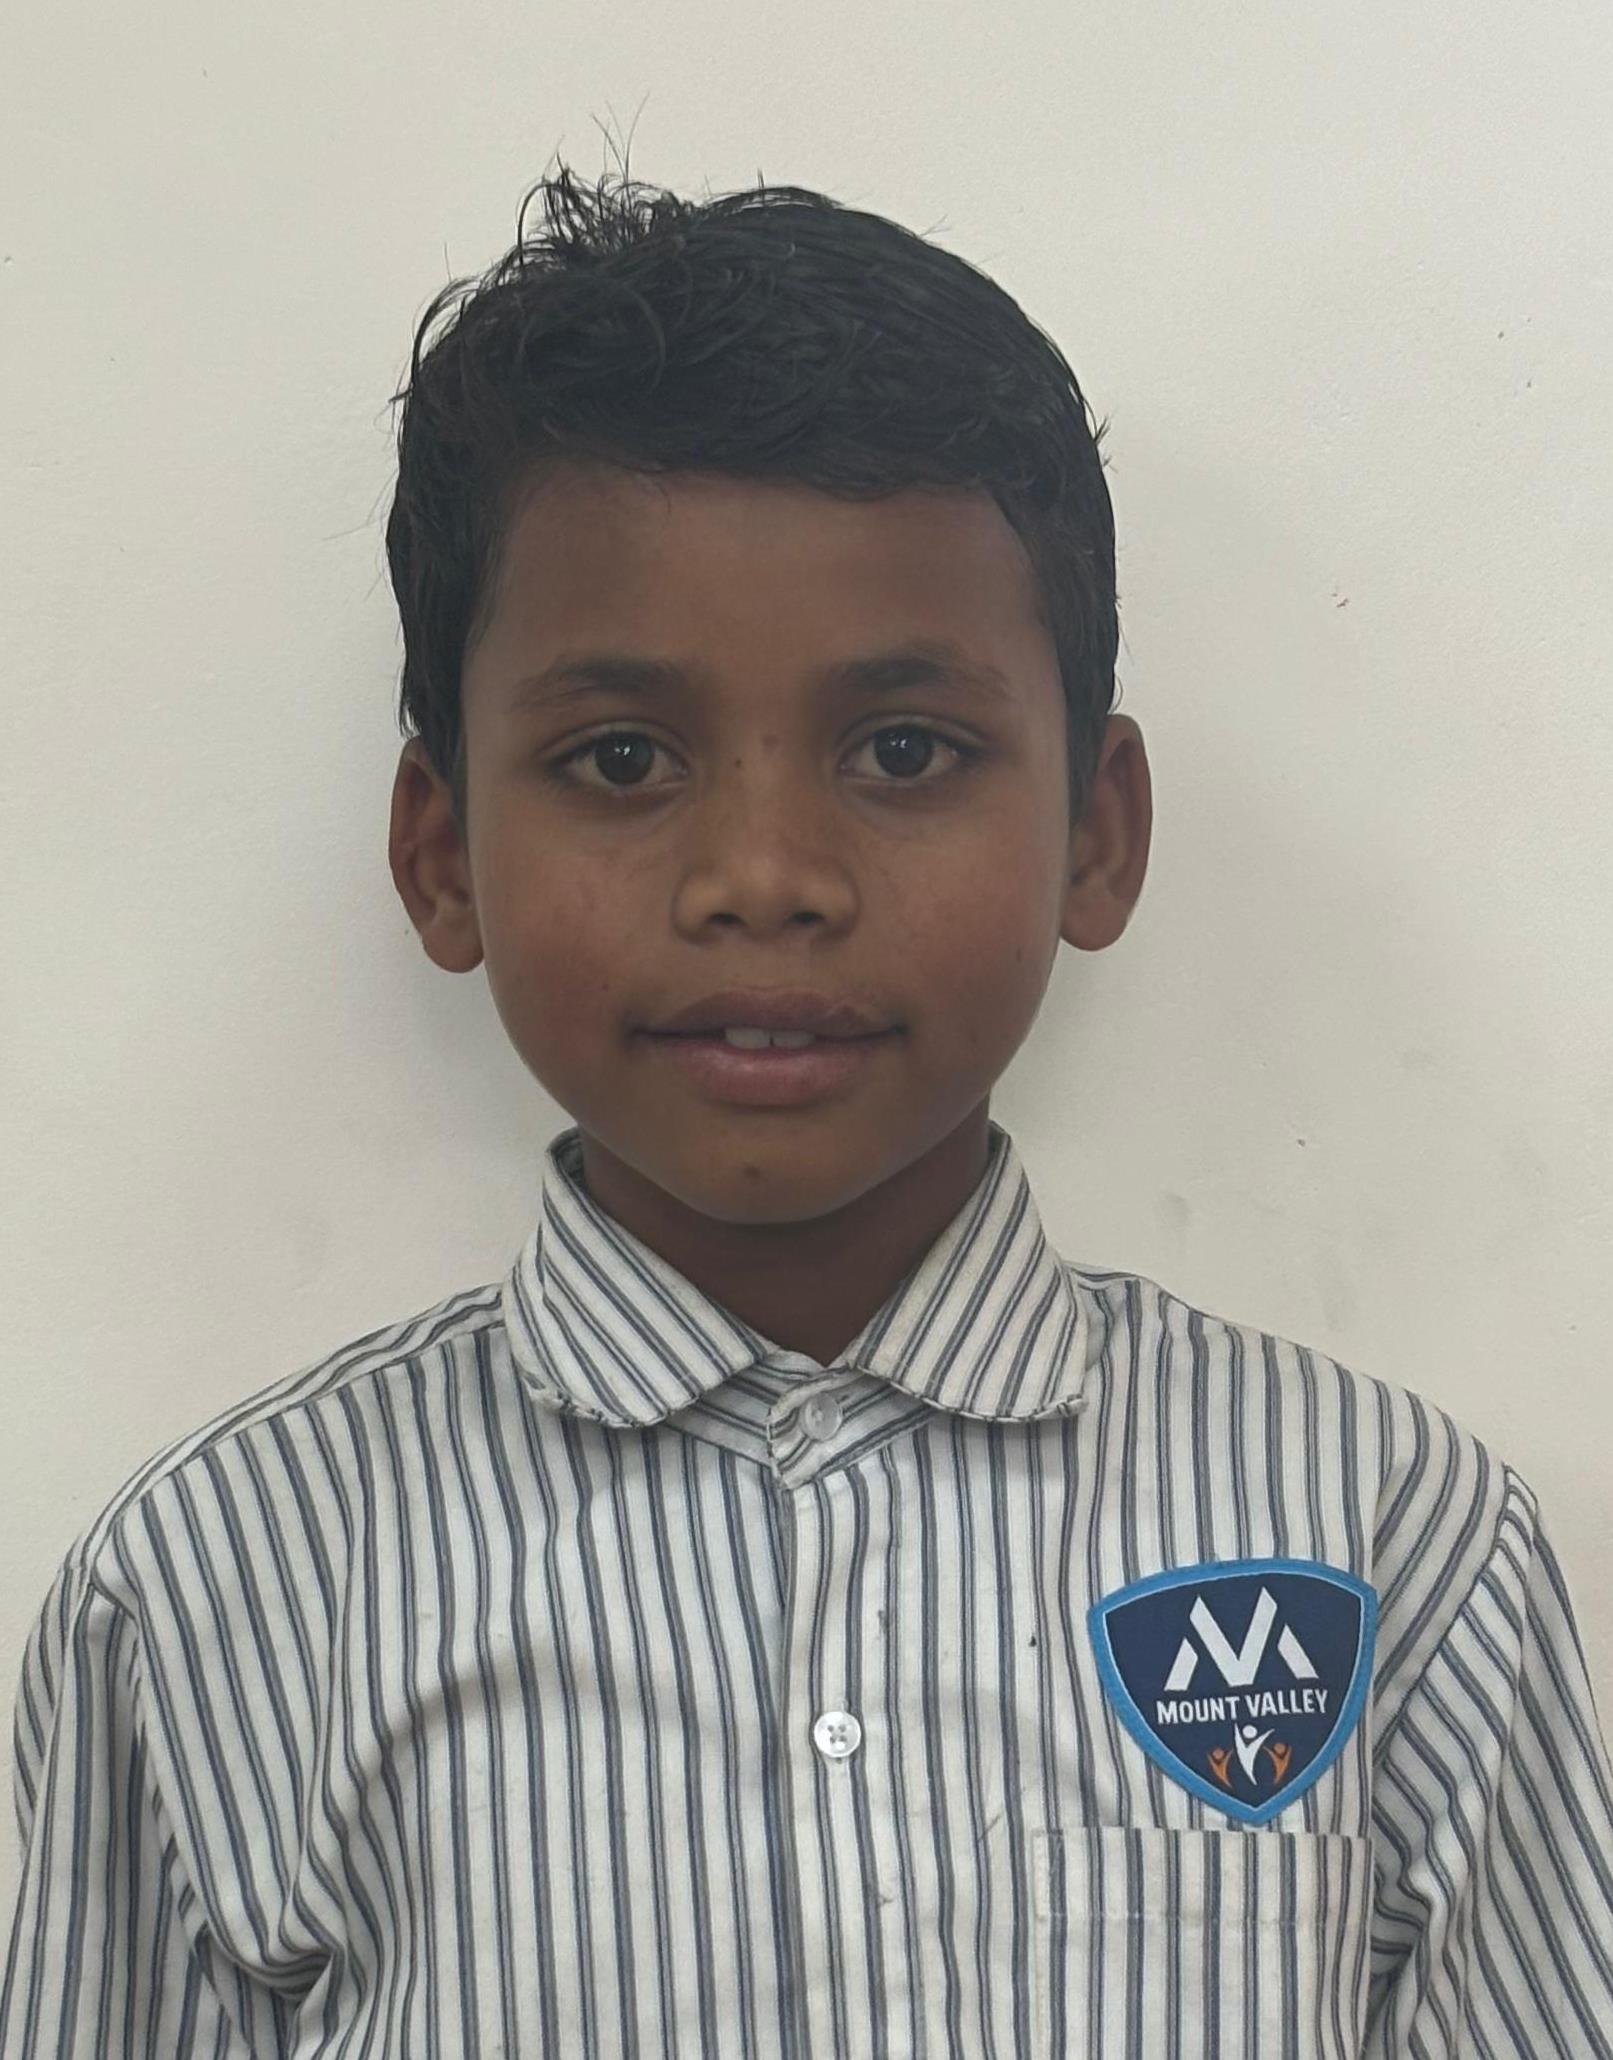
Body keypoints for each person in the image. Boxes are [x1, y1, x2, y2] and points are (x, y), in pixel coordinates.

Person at [3, 157, 1610, 2060]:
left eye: (903, 748)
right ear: (441, 857)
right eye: (620, 757)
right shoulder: (207, 1597)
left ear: (1094, 837)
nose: (762, 876)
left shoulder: (1393, 1538)